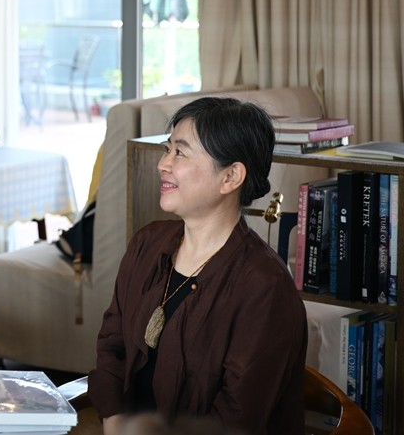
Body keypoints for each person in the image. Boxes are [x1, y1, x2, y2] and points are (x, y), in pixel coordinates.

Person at [89, 97, 306, 435]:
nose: (163, 164)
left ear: (230, 176)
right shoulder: (147, 245)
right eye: (167, 149)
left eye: (181, 152)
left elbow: (237, 417)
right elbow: (111, 348)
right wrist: (115, 425)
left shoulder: (264, 287)